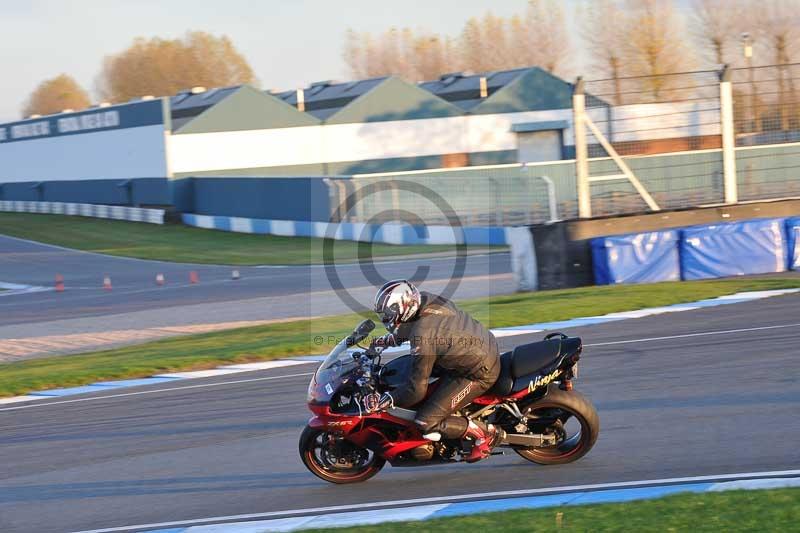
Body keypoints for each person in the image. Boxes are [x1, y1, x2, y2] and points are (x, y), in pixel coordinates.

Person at [370, 279, 503, 463]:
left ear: (404, 307)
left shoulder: (423, 336)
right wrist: (385, 341)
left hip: (478, 371)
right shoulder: (425, 300)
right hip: (477, 346)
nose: (386, 318)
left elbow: (416, 391)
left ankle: (485, 434)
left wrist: (390, 399)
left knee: (425, 421)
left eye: (389, 313)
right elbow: (413, 326)